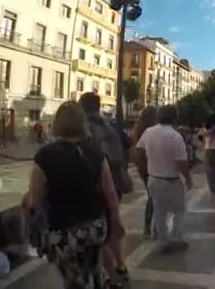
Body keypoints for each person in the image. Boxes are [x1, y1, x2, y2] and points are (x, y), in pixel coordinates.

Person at [25, 101, 124, 289]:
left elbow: (34, 202)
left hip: (61, 233)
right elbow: (111, 197)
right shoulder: (95, 153)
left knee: (73, 278)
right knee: (93, 269)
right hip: (95, 228)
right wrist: (116, 224)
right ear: (82, 123)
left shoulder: (44, 155)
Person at [79, 92, 128, 285]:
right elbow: (127, 148)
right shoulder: (114, 125)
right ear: (99, 106)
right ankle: (121, 265)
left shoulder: (84, 129)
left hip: (97, 185)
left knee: (99, 230)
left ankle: (110, 276)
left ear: (82, 108)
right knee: (111, 224)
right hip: (117, 182)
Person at [136, 105, 192, 253]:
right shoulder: (175, 136)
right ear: (174, 118)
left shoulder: (148, 132)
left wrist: (150, 162)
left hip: (153, 178)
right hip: (172, 179)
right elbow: (182, 163)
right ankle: (176, 239)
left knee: (159, 210)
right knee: (179, 210)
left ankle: (163, 241)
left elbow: (139, 150)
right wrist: (188, 178)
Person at [131, 106, 157, 238]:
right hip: (154, 166)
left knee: (152, 195)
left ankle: (148, 228)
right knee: (156, 197)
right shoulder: (152, 131)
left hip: (142, 166)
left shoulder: (137, 128)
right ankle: (155, 229)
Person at [199, 115, 215, 195]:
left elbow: (201, 136)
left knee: (210, 171)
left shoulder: (205, 129)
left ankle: (213, 188)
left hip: (208, 151)